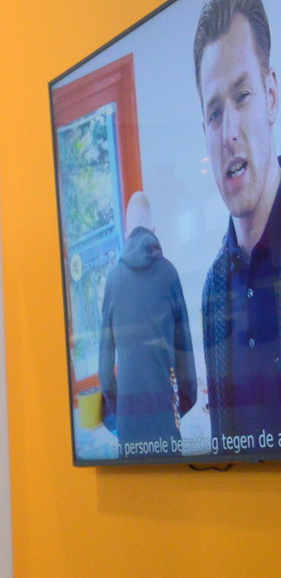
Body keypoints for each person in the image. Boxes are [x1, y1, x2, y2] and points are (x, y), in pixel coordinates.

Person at [195, 0, 281, 440]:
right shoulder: (213, 291)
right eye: (214, 112)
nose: (228, 132)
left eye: (242, 96)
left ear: (271, 95)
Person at [97, 191, 196, 457]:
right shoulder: (169, 274)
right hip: (165, 423)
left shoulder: (113, 281)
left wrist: (123, 412)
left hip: (128, 428)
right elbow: (186, 360)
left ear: (126, 234)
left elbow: (105, 373)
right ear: (154, 231)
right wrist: (177, 408)